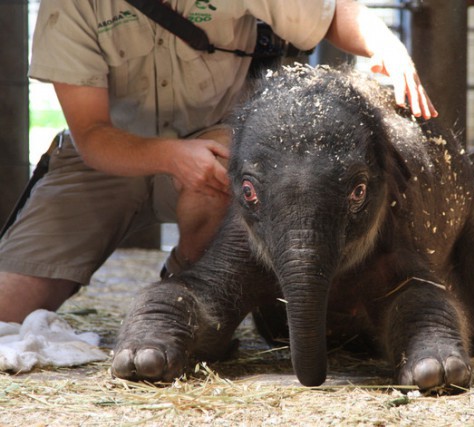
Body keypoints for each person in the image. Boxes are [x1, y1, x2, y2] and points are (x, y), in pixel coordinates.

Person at [0, 0, 437, 323]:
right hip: (108, 155)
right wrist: (171, 156)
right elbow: (92, 134)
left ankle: (186, 300)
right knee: (7, 309)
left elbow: (332, 13)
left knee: (223, 166)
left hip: (218, 141)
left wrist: (387, 47)